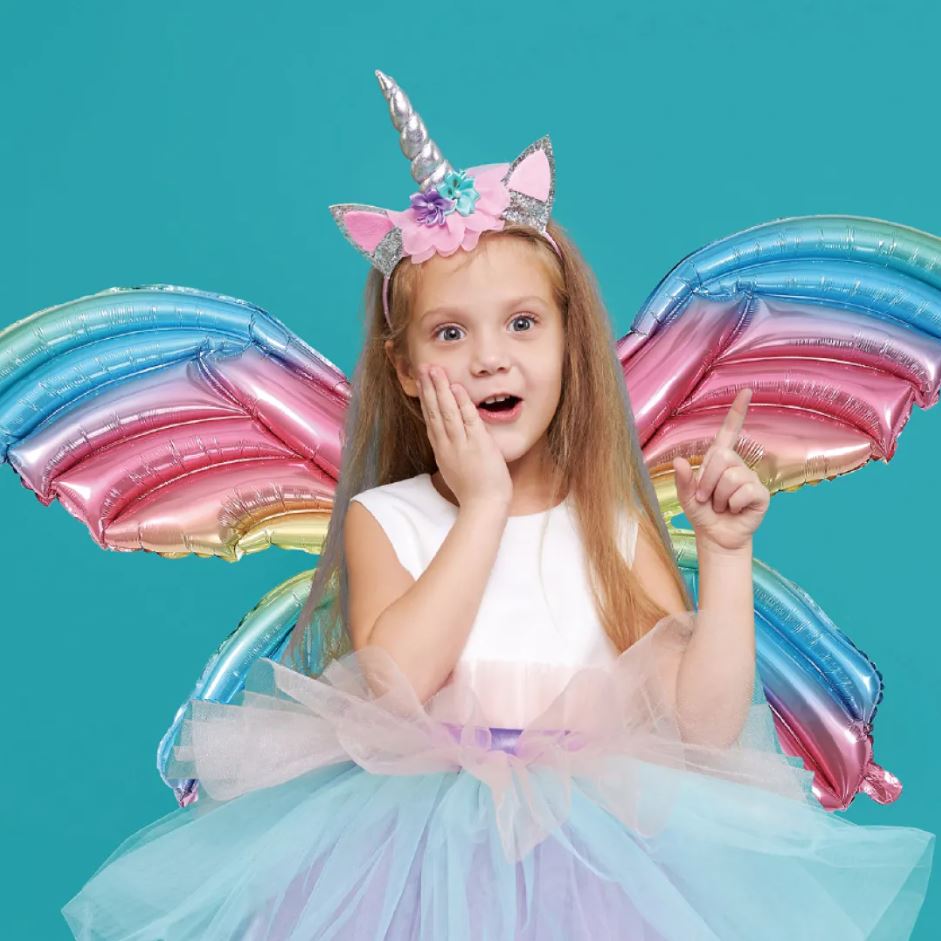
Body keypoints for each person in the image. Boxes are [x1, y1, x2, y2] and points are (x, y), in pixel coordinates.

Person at [62, 70, 934, 940]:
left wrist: (726, 554)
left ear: (567, 341)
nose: (489, 358)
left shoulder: (611, 528)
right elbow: (396, 692)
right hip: (408, 869)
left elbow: (702, 732)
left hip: (605, 875)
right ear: (404, 370)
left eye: (522, 323)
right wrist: (479, 507)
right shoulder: (386, 522)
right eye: (451, 333)